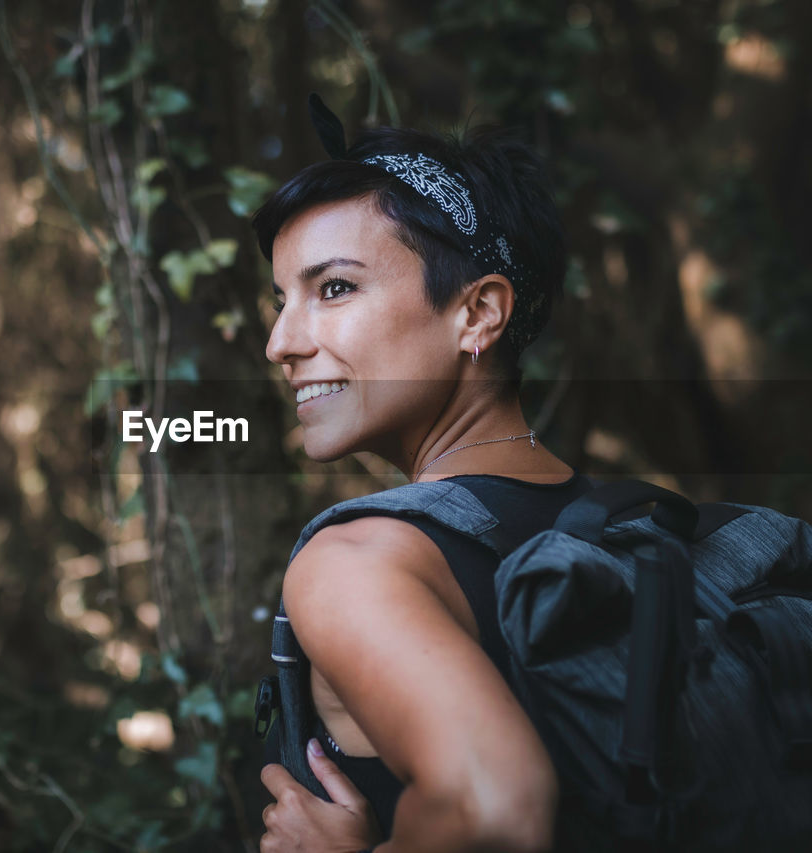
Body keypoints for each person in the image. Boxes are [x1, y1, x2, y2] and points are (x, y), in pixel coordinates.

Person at [253, 106, 591, 852]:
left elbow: (497, 809)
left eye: (334, 288)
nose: (281, 342)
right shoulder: (618, 525)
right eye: (284, 301)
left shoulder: (358, 563)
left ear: (478, 312)